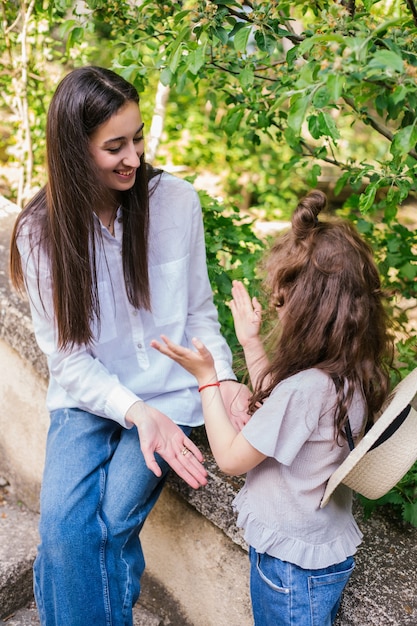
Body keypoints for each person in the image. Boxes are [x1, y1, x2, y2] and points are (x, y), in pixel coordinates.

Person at [9, 65, 250, 626]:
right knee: (65, 533)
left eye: (138, 138)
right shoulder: (39, 233)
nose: (134, 158)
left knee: (107, 526)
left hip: (171, 394)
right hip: (89, 398)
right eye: (114, 146)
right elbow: (68, 360)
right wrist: (137, 414)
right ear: (73, 150)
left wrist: (223, 380)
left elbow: (198, 315)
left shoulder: (177, 203)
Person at [151, 190, 394, 626]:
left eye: (284, 305)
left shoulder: (305, 389)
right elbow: (284, 401)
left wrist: (208, 378)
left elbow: (229, 458)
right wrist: (248, 341)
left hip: (289, 571)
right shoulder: (351, 369)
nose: (278, 312)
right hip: (319, 552)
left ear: (311, 314)